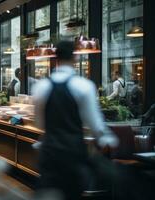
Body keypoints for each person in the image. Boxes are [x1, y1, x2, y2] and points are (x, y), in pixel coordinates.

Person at [32, 41, 118, 200]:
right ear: (75, 58)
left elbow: (39, 124)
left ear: (55, 58)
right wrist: (108, 139)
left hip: (50, 154)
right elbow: (95, 125)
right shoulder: (84, 86)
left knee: (49, 194)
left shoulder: (41, 87)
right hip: (73, 154)